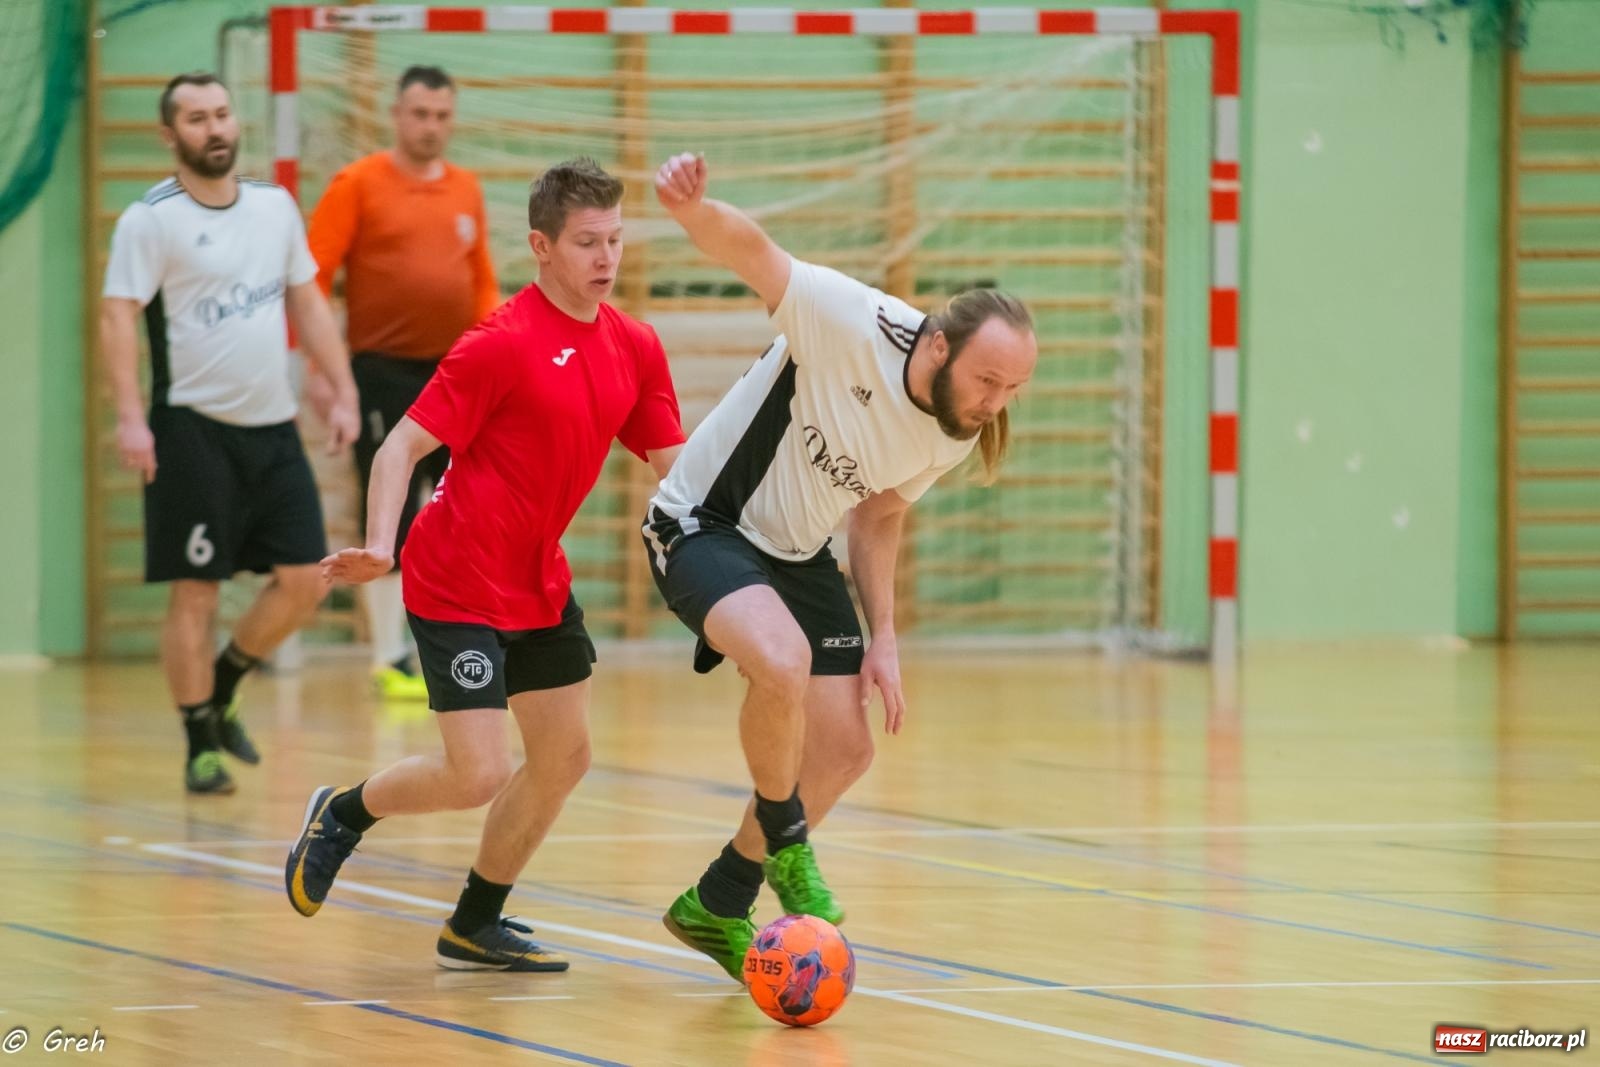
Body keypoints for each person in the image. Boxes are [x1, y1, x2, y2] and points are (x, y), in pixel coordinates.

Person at [644, 152, 1038, 980]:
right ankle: (788, 847)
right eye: (988, 379)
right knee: (781, 661)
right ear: (936, 343)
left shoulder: (954, 427)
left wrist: (884, 635)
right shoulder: (848, 319)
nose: (996, 402)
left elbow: (879, 513)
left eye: (1012, 388)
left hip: (796, 552)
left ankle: (716, 899)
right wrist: (691, 210)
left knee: (846, 749)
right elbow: (754, 253)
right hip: (705, 522)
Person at [286, 158, 686, 972]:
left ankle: (475, 922)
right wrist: (381, 543)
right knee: (478, 771)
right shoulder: (499, 343)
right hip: (455, 575)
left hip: (539, 581)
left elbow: (677, 473)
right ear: (541, 245)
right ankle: (343, 813)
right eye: (586, 242)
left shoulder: (635, 347)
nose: (605, 257)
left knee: (565, 757)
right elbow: (401, 443)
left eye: (614, 239)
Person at [100, 72, 360, 796]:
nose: (213, 128)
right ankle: (198, 744)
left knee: (308, 581)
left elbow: (307, 301)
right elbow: (118, 316)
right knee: (197, 594)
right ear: (170, 136)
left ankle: (224, 679)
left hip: (272, 429)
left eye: (220, 114)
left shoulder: (274, 207)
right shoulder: (150, 220)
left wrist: (341, 390)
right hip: (192, 430)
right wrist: (130, 416)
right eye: (195, 118)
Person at [307, 65, 500, 701]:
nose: (431, 127)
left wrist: (495, 363)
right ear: (397, 114)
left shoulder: (466, 189)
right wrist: (323, 374)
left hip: (453, 373)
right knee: (388, 508)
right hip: (379, 372)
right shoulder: (357, 184)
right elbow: (311, 279)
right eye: (420, 114)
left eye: (443, 116)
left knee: (457, 507)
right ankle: (389, 655)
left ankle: (450, 643)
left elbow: (481, 284)